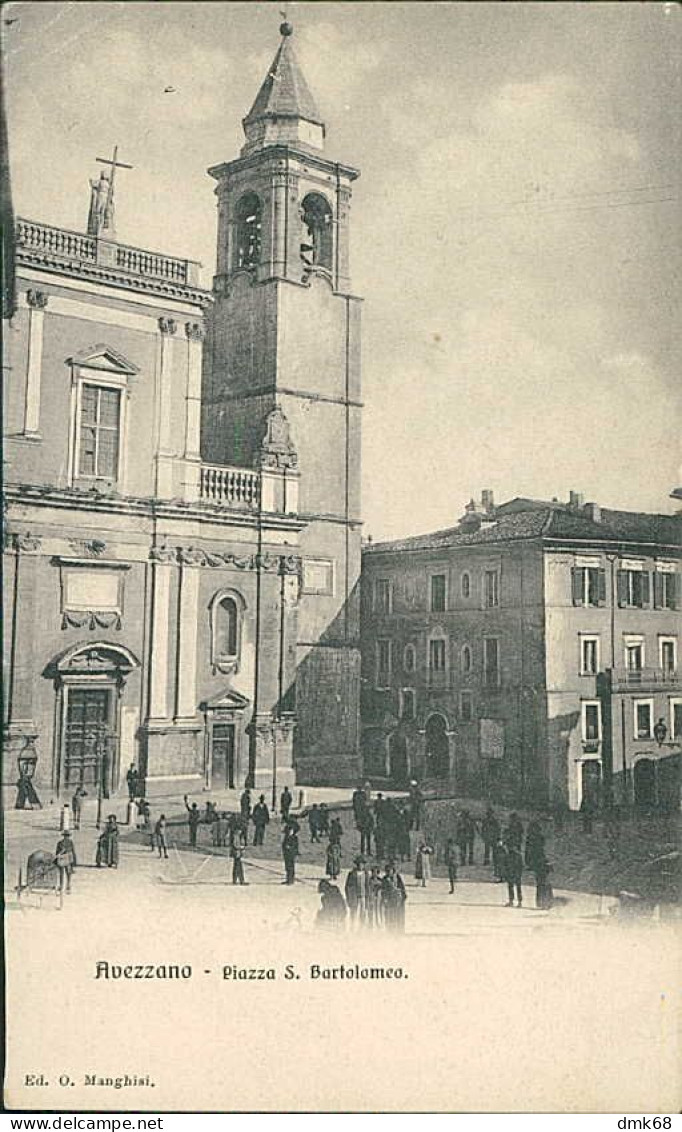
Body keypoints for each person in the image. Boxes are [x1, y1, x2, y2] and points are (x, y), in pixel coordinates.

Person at [381, 863, 407, 932]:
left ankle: (400, 930)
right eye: (387, 871)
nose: (389, 872)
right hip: (389, 900)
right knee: (389, 916)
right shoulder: (384, 879)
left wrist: (402, 897)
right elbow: (383, 891)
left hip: (398, 900)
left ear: (393, 871)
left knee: (398, 916)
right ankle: (390, 930)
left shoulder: (397, 877)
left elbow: (402, 888)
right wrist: (384, 899)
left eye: (390, 871)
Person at [345, 857, 368, 926]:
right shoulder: (352, 874)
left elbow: (367, 885)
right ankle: (352, 926)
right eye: (359, 864)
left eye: (362, 864)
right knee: (353, 912)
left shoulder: (366, 874)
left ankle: (361, 927)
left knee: (363, 912)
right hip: (354, 896)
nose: (360, 866)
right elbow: (347, 886)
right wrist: (349, 897)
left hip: (363, 896)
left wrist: (368, 896)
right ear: (356, 865)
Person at [55, 829, 77, 894]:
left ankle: (64, 886)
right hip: (67, 859)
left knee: (64, 873)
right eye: (66, 836)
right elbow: (73, 852)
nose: (66, 837)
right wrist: (74, 862)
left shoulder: (60, 843)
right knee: (67, 873)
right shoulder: (70, 842)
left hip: (63, 859)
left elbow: (57, 852)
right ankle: (67, 886)